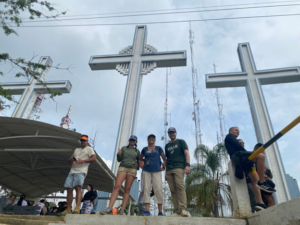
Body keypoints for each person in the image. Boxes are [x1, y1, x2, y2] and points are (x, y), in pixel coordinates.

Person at [224, 127, 276, 211]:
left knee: (255, 179)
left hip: (242, 161)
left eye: (239, 130)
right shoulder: (229, 136)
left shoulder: (232, 138)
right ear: (231, 131)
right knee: (261, 156)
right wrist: (251, 155)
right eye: (236, 130)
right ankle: (262, 182)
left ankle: (260, 203)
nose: (238, 131)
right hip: (237, 156)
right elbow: (239, 146)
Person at [101, 135, 140, 215]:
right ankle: (110, 208)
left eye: (134, 140)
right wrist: (118, 154)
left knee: (127, 190)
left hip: (132, 169)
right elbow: (119, 159)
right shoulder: (124, 148)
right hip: (123, 167)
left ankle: (122, 210)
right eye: (131, 140)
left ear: (136, 142)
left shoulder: (137, 151)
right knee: (117, 186)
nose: (132, 141)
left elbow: (139, 161)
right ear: (129, 140)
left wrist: (138, 165)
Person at [57, 135, 96, 216]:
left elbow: (94, 158)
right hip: (72, 171)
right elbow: (69, 161)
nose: (83, 142)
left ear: (87, 141)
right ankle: (68, 209)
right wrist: (71, 160)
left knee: (78, 188)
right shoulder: (76, 149)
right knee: (69, 189)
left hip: (81, 171)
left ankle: (77, 208)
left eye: (84, 140)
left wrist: (83, 161)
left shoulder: (89, 149)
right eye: (82, 140)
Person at [165, 127, 191, 217]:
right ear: (168, 134)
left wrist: (187, 165)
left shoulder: (181, 142)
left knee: (180, 187)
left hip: (179, 167)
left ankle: (183, 209)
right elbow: (167, 159)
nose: (172, 134)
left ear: (176, 133)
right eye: (170, 133)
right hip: (169, 169)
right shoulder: (167, 146)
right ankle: (176, 211)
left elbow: (186, 153)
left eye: (173, 132)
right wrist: (165, 172)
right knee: (173, 190)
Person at [139, 134, 166, 216]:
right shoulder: (144, 149)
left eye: (152, 139)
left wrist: (163, 167)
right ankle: (147, 211)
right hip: (146, 171)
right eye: (149, 138)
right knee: (146, 190)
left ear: (154, 140)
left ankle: (160, 212)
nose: (151, 140)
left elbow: (164, 159)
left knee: (158, 190)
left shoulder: (158, 148)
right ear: (147, 140)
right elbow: (140, 159)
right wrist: (141, 164)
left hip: (157, 171)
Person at [253, 143, 275, 207]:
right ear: (255, 149)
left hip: (265, 184)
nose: (262, 154)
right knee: (270, 199)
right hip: (258, 183)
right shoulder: (253, 159)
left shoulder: (262, 164)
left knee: (269, 200)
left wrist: (267, 170)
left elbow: (270, 176)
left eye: (263, 152)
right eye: (261, 152)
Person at [237, 139, 257, 213]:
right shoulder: (239, 154)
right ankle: (253, 210)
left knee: (255, 194)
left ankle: (253, 210)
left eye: (243, 142)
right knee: (252, 194)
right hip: (246, 179)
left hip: (253, 177)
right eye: (240, 143)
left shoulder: (246, 153)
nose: (242, 144)